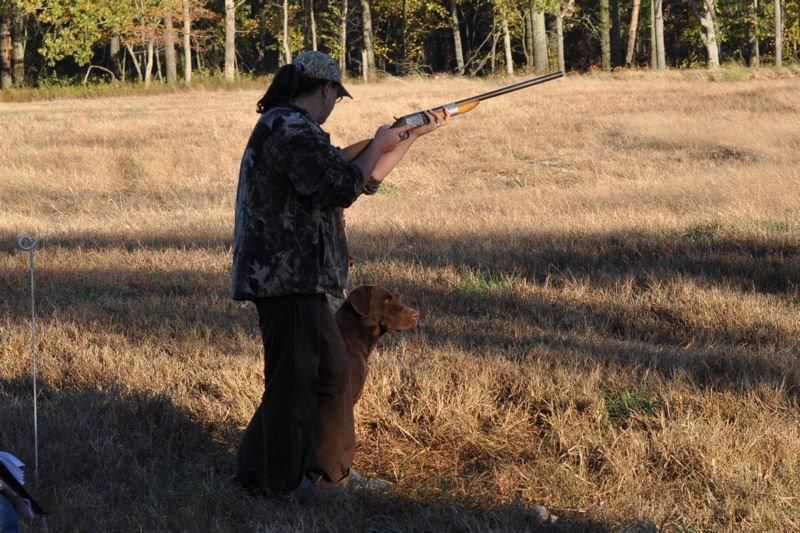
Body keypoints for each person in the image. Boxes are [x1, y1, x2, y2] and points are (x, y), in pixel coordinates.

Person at [230, 50, 444, 498]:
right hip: (285, 278)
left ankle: (306, 473)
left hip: (296, 277)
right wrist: (382, 141)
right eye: (336, 95)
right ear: (325, 89)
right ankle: (286, 484)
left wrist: (409, 136)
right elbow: (341, 188)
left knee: (329, 373)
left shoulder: (293, 128)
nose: (334, 104)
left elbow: (364, 180)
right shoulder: (288, 129)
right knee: (298, 382)